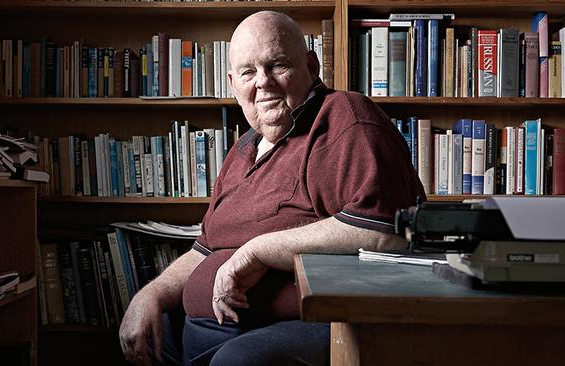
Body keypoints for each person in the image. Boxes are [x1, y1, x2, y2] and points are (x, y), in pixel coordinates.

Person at [119, 10, 426, 366]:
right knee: (141, 340)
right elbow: (205, 251)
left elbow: (387, 231)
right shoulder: (242, 149)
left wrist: (259, 250)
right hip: (205, 330)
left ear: (311, 67)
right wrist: (151, 295)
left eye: (277, 65)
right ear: (234, 85)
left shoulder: (344, 117)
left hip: (306, 327)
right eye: (248, 72)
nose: (262, 82)